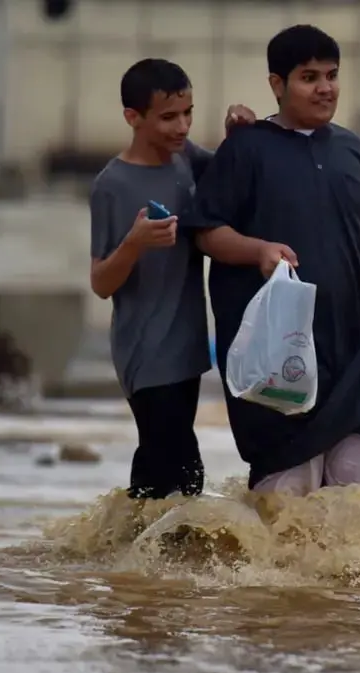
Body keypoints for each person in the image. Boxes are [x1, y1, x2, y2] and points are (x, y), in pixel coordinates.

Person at [193, 24, 360, 496]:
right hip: (277, 355)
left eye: (332, 75)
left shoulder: (352, 150)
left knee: (359, 499)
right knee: (286, 503)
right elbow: (206, 232)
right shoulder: (245, 148)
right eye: (309, 77)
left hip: (353, 352)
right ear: (277, 85)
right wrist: (258, 250)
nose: (325, 88)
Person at [89, 58, 255, 499]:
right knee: (184, 474)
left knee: (157, 472)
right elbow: (101, 283)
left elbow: (229, 176)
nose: (181, 126)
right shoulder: (113, 184)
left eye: (188, 114)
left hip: (186, 349)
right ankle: (148, 558)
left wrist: (237, 136)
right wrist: (134, 243)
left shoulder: (186, 158)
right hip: (144, 352)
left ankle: (120, 560)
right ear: (133, 117)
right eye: (168, 117)